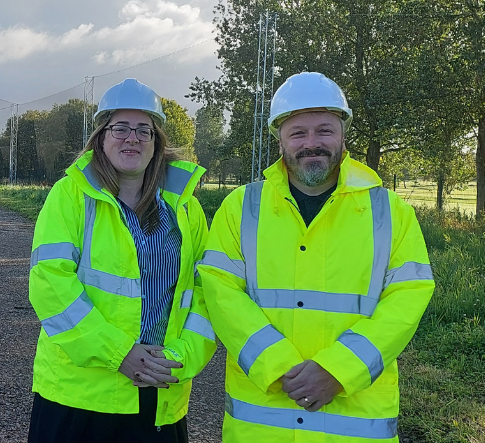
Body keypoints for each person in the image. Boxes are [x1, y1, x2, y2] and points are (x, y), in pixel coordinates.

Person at [198, 72, 435, 442]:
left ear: (343, 135)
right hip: (261, 426)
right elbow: (220, 292)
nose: (312, 143)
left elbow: (408, 298)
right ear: (280, 140)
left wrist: (339, 371)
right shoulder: (241, 207)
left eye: (324, 130)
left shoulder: (389, 211)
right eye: (298, 133)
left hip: (355, 425)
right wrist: (277, 365)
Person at [27, 78, 217, 443]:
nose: (132, 138)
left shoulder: (186, 209)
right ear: (101, 137)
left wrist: (179, 358)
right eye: (120, 128)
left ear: (157, 142)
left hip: (160, 390)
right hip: (79, 396)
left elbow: (205, 293)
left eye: (144, 130)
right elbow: (51, 283)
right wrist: (120, 353)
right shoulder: (70, 196)